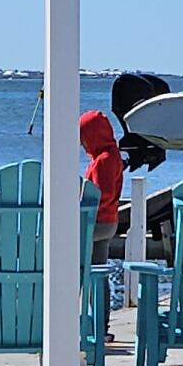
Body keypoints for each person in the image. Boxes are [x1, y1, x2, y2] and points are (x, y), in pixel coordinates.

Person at [79, 109, 128, 264]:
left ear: (94, 137)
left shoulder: (103, 160)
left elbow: (102, 194)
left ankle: (74, 285)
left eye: (84, 139)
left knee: (66, 240)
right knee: (98, 266)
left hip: (98, 222)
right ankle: (100, 289)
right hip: (110, 221)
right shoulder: (112, 155)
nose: (82, 145)